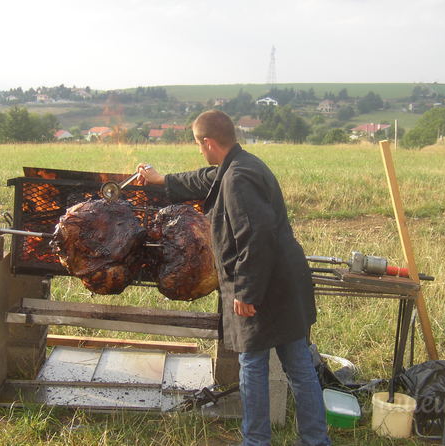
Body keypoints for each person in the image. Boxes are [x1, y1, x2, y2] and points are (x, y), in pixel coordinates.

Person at [137, 110, 330, 446]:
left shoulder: (238, 179)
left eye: (199, 145)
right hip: (284, 280)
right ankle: (316, 440)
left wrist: (246, 292)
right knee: (298, 364)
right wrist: (162, 180)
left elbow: (255, 238)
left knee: (254, 365)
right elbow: (204, 178)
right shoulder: (242, 165)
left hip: (265, 284)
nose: (199, 151)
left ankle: (256, 441)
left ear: (208, 142)